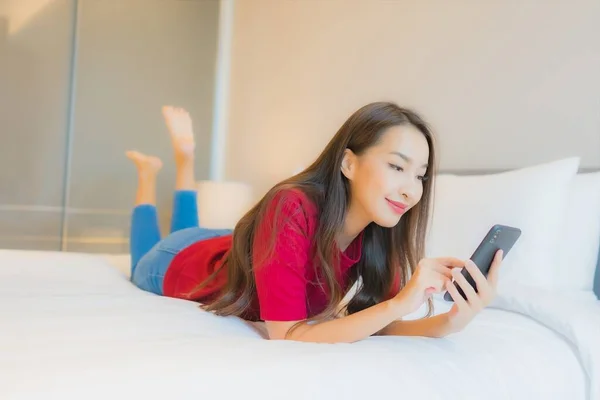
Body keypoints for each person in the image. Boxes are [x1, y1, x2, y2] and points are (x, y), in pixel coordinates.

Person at [127, 103, 503, 344]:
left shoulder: (379, 230)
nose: (410, 191)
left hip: (242, 245)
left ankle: (178, 166)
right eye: (397, 167)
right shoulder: (291, 205)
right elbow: (287, 334)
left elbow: (376, 324)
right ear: (349, 163)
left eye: (420, 175)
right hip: (180, 261)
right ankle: (155, 173)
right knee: (147, 254)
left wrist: (450, 323)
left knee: (190, 231)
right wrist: (402, 302)